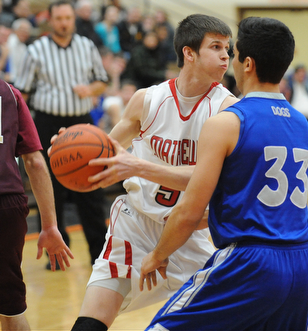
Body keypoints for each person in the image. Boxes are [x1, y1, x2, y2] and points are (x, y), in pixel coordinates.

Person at [140, 16, 308, 331]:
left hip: (250, 262)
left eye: (233, 53)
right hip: (303, 263)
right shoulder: (302, 125)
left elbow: (189, 211)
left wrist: (157, 254)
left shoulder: (228, 122)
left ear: (246, 63)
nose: (229, 59)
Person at [69, 13, 238, 330]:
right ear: (189, 53)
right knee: (90, 322)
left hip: (191, 232)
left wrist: (138, 166)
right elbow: (104, 149)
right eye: (216, 47)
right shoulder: (148, 100)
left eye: (227, 48)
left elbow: (212, 179)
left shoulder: (227, 110)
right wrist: (70, 147)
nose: (225, 56)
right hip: (136, 224)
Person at [14, 0, 109, 268]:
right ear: (51, 20)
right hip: (46, 122)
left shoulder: (86, 46)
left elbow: (103, 80)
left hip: (81, 124)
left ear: (73, 19)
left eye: (68, 18)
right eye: (59, 18)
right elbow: (22, 91)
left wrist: (91, 91)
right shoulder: (36, 49)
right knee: (50, 189)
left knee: (91, 188)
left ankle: (98, 254)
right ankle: (55, 255)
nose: (64, 22)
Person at [0, 79, 73, 330]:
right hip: (6, 206)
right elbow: (35, 161)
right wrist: (50, 225)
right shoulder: (9, 93)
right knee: (10, 307)